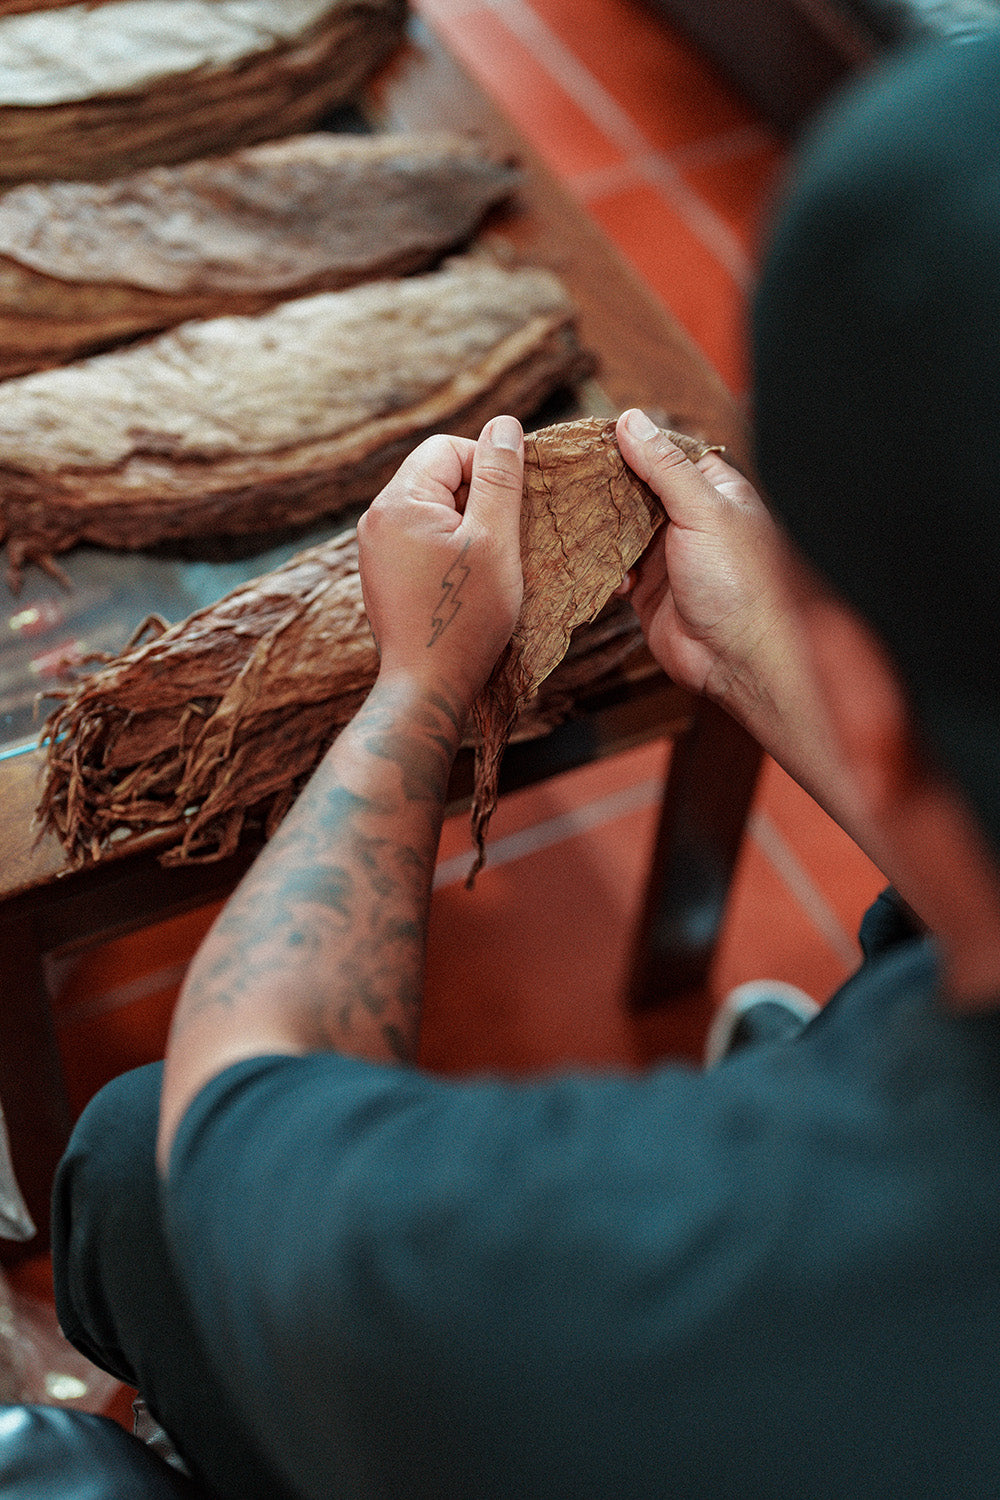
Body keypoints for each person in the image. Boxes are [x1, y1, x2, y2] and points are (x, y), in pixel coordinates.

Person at [53, 30, 1000, 1499]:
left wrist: (419, 688)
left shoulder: (645, 1285)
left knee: (135, 1165)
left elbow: (243, 1085)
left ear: (871, 684)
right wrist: (780, 667)